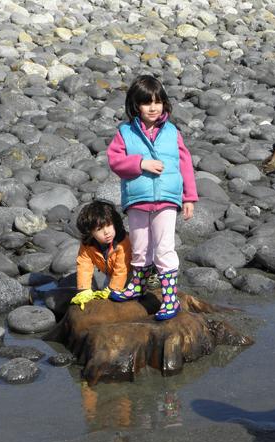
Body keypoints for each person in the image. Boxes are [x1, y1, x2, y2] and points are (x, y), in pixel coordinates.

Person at [107, 74, 198, 320]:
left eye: (157, 102)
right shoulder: (125, 132)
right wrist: (141, 163)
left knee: (164, 248)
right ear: (136, 105)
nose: (153, 107)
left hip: (167, 199)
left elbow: (185, 164)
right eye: (147, 103)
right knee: (140, 247)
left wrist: (189, 197)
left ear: (164, 104)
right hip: (138, 199)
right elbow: (115, 161)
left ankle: (170, 298)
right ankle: (137, 285)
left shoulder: (172, 132)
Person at [70, 200, 131, 310]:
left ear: (115, 223)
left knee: (118, 299)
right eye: (99, 229)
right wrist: (84, 290)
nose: (106, 232)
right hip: (110, 274)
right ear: (90, 232)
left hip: (131, 273)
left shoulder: (122, 242)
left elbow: (122, 270)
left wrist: (113, 290)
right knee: (103, 297)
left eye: (108, 225)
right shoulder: (88, 245)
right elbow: (84, 266)